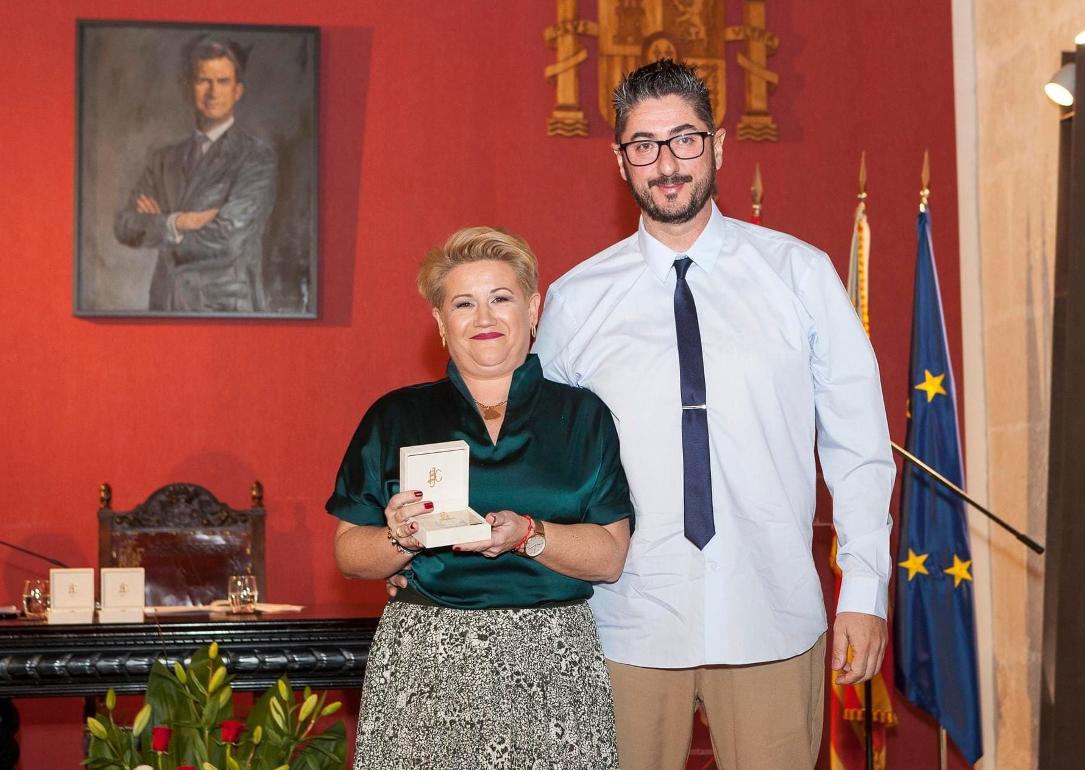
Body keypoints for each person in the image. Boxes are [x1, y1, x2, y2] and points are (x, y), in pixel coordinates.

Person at [533, 60, 896, 770]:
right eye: (644, 144)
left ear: (719, 144)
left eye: (685, 140)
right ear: (620, 160)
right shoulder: (576, 301)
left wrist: (866, 587)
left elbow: (856, 443)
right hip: (622, 622)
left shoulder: (801, 276)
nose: (666, 163)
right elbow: (539, 456)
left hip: (771, 611)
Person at [327, 226, 634, 769]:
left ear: (533, 308)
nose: (484, 318)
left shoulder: (583, 417)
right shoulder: (395, 416)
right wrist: (400, 538)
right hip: (424, 663)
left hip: (553, 664)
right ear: (441, 323)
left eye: (501, 298)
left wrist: (529, 535)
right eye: (463, 303)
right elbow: (350, 555)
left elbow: (610, 557)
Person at [114, 36, 277, 312]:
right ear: (188, 87)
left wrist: (159, 224)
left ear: (238, 91)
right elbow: (125, 225)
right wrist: (179, 223)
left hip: (224, 312)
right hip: (163, 308)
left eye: (222, 82)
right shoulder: (163, 160)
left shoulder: (256, 159)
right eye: (204, 81)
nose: (213, 92)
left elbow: (226, 239)